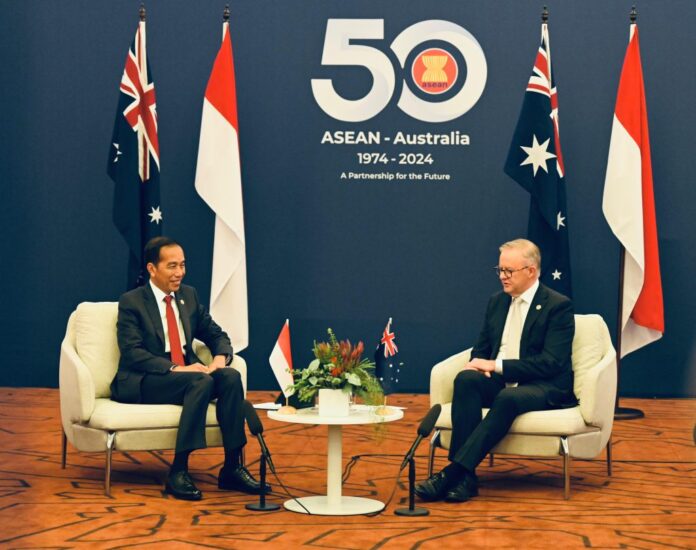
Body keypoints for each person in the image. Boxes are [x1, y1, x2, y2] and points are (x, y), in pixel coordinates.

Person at [416, 238, 576, 503]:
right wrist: (481, 365)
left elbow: (551, 363)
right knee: (466, 379)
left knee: (508, 397)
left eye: (508, 271)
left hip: (542, 386)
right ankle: (466, 479)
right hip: (500, 381)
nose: (502, 277)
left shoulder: (557, 306)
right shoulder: (497, 302)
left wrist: (497, 365)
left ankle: (453, 472)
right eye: (499, 270)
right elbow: (481, 349)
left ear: (531, 271)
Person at [110, 236, 269, 501]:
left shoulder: (189, 296)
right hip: (147, 379)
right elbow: (133, 352)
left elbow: (217, 335)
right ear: (152, 269)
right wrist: (176, 368)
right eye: (172, 266)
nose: (180, 272)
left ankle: (232, 467)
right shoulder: (132, 302)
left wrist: (219, 360)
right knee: (201, 382)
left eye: (182, 265)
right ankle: (179, 470)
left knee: (230, 377)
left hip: (189, 377)